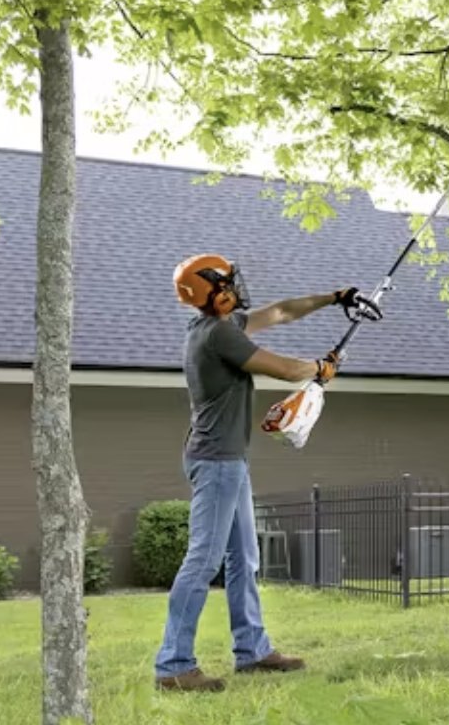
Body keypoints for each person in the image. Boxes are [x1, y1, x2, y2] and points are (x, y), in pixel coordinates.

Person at [155, 252, 376, 692]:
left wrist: (335, 298)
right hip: (216, 461)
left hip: (227, 460)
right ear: (212, 293)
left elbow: (280, 311)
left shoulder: (218, 327)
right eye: (228, 284)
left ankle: (252, 651)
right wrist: (320, 368)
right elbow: (284, 368)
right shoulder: (218, 336)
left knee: (244, 558)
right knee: (203, 560)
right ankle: (174, 665)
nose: (237, 289)